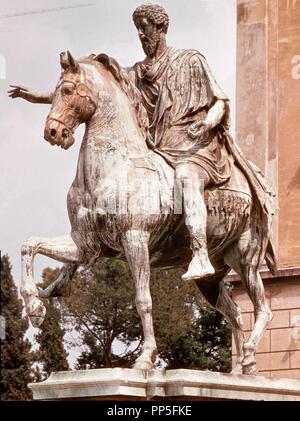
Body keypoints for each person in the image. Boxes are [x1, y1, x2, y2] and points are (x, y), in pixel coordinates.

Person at [8, 3, 276, 282]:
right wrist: (40, 98)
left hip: (194, 147)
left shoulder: (190, 60)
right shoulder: (136, 73)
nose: (141, 34)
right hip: (160, 149)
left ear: (161, 28)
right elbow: (89, 88)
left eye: (145, 28)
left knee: (185, 177)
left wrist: (208, 122)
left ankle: (199, 254)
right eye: (137, 29)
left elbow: (220, 101)